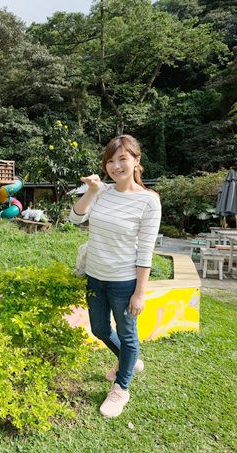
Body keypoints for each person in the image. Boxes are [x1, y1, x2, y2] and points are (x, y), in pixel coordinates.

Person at [69, 134, 161, 418]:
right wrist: (92, 191)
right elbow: (75, 219)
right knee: (99, 329)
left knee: (127, 335)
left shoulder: (149, 201)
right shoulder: (103, 192)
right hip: (95, 276)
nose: (116, 166)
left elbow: (145, 251)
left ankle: (121, 388)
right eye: (110, 161)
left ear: (136, 160)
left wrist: (140, 292)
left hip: (124, 282)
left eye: (122, 159)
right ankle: (128, 362)